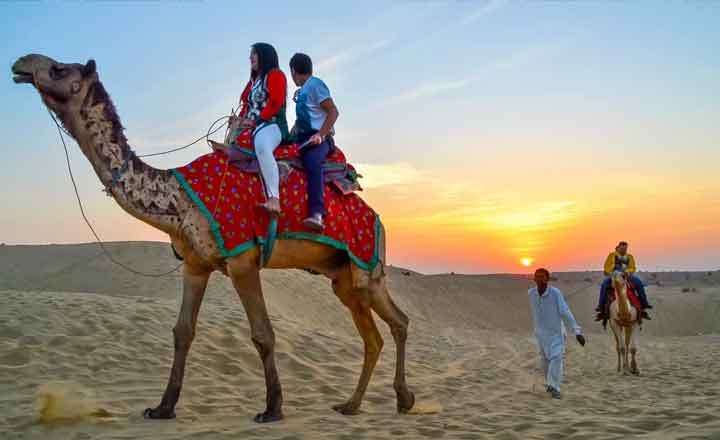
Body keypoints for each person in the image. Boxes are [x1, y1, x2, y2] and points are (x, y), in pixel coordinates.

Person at [216, 43, 289, 214]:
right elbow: (246, 105)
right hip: (252, 126)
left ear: (264, 55)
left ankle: (274, 198)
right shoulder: (253, 82)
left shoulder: (275, 75)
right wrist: (239, 120)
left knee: (262, 146)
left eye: (254, 54)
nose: (251, 58)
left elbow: (276, 103)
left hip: (271, 124)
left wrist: (256, 121)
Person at [288, 53, 340, 231]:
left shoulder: (316, 85)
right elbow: (307, 116)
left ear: (294, 71)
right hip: (302, 138)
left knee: (312, 162)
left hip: (319, 139)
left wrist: (321, 134)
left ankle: (317, 213)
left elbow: (333, 111)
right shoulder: (303, 91)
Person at [528, 268, 586, 399]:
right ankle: (550, 384)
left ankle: (554, 387)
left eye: (542, 276)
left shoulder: (555, 293)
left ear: (547, 279)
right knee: (545, 361)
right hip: (541, 334)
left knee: (556, 357)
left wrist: (577, 331)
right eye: (536, 276)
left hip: (556, 333)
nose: (539, 279)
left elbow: (565, 311)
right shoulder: (531, 293)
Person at [595, 241, 652, 321]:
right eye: (622, 248)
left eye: (625, 249)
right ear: (618, 247)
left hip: (627, 275)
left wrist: (628, 272)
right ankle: (600, 306)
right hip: (614, 274)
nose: (624, 250)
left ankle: (644, 303)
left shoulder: (629, 256)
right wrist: (612, 272)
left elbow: (633, 267)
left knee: (639, 283)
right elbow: (606, 267)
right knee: (604, 284)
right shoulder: (612, 255)